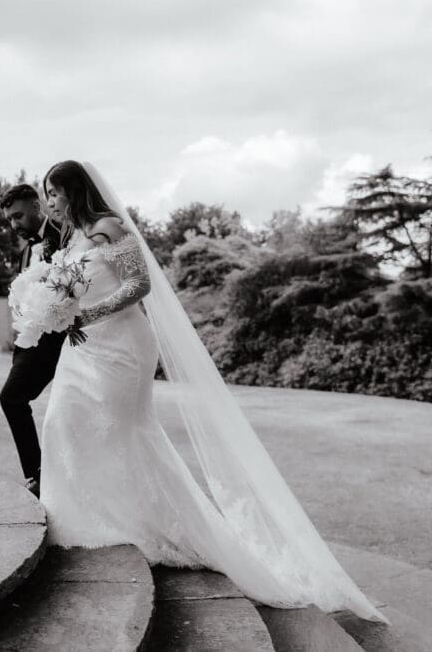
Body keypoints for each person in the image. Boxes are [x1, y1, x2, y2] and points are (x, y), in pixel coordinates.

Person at [38, 160, 387, 622]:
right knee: (61, 421)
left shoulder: (110, 227)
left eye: (54, 192)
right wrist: (54, 309)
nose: (49, 201)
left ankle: (150, 524)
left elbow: (140, 285)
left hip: (121, 346)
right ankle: (89, 516)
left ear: (74, 190)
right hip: (81, 347)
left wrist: (90, 313)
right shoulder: (70, 240)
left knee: (123, 433)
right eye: (47, 193)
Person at [0, 183, 67, 497]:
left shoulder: (64, 233)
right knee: (14, 399)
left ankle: (40, 477)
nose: (14, 224)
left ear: (37, 206)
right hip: (31, 339)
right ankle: (39, 475)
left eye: (18, 216)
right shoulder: (26, 249)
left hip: (58, 338)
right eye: (10, 219)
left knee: (12, 398)